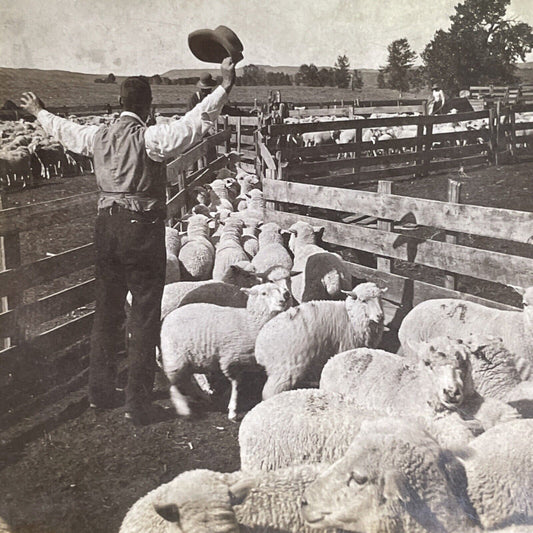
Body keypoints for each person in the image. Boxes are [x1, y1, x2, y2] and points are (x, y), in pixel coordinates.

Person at [20, 56, 237, 426]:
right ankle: (137, 402)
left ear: (121, 104)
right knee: (144, 311)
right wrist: (225, 86)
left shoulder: (98, 136)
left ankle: (99, 392)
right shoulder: (150, 137)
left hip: (105, 227)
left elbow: (64, 130)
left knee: (105, 310)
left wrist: (39, 110)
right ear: (148, 106)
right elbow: (194, 123)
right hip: (141, 228)